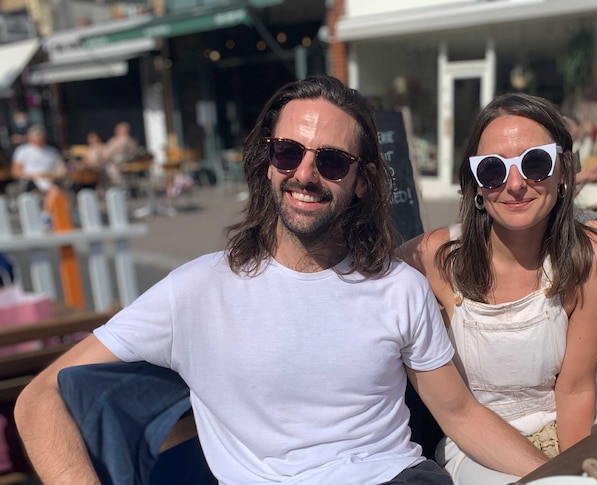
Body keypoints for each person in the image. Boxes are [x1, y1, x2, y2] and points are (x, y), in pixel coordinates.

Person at [14, 76, 547, 485]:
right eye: (288, 151)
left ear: (362, 181)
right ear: (267, 162)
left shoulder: (398, 288)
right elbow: (39, 399)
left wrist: (567, 476)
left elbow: (460, 414)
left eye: (333, 161)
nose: (305, 173)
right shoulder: (196, 290)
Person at [397, 93, 597, 484]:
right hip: (476, 447)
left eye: (536, 163)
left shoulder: (594, 260)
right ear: (476, 186)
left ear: (564, 169)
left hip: (572, 429)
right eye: (492, 170)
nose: (515, 184)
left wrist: (569, 475)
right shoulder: (435, 256)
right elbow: (363, 277)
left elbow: (575, 388)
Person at [10, 125, 65, 194]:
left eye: (41, 136)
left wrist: (52, 176)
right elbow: (16, 172)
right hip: (31, 180)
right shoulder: (22, 151)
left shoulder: (53, 151)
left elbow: (60, 169)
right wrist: (36, 176)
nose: (39, 139)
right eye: (37, 137)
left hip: (51, 178)